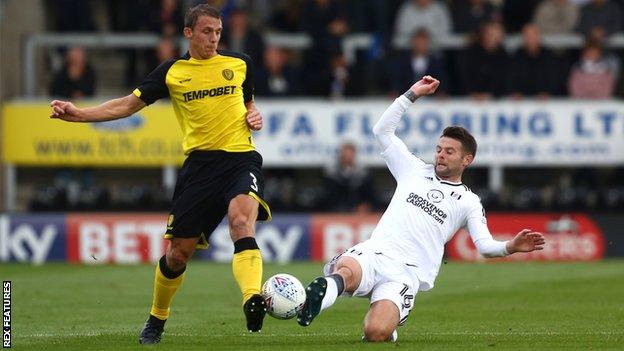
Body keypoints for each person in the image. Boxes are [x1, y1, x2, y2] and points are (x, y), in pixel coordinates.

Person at [49, 4, 272, 344]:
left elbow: (249, 104)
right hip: (199, 168)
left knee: (240, 220)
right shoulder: (172, 72)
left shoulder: (240, 63)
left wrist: (253, 115)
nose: (213, 39)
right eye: (206, 32)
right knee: (178, 254)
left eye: (218, 32)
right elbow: (127, 105)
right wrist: (78, 114)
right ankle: (157, 318)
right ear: (188, 33)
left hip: (241, 159)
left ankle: (252, 298)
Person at [296, 76, 546, 342]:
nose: (440, 154)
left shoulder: (469, 201)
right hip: (376, 252)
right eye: (439, 149)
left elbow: (484, 246)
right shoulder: (413, 169)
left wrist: (511, 246)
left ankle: (387, 326)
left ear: (467, 159)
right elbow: (382, 131)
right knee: (346, 271)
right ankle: (313, 304)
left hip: (408, 272)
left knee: (375, 332)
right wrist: (411, 95)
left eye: (449, 151)